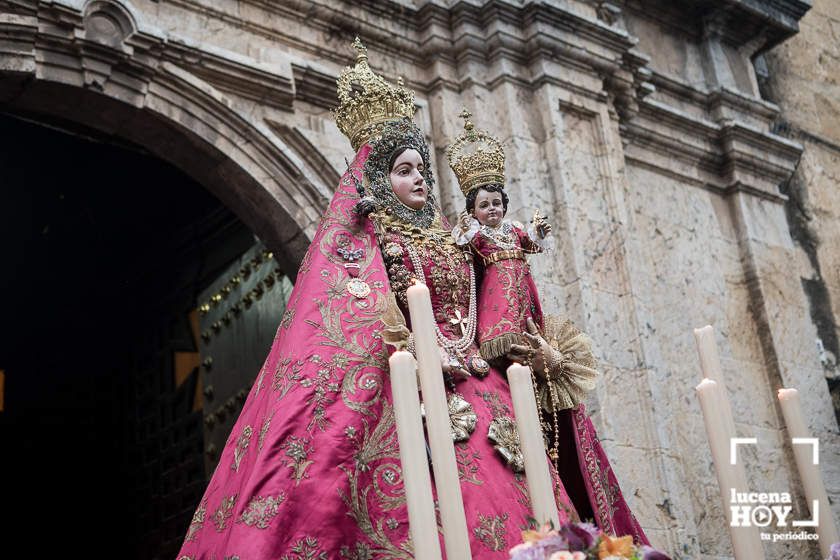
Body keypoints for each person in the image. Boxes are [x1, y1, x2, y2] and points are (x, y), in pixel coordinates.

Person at [176, 39, 648, 559]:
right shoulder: (369, 246)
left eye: (421, 167)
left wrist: (530, 339)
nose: (419, 177)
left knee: (531, 501)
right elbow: (348, 318)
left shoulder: (459, 237)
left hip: (485, 387)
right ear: (379, 178)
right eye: (403, 170)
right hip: (421, 394)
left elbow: (498, 297)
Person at [448, 110, 553, 363]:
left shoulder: (513, 228)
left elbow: (532, 245)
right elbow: (465, 245)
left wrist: (538, 233)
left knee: (528, 320)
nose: (492, 208)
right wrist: (464, 229)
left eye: (496, 203)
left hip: (522, 281)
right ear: (473, 211)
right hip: (495, 285)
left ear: (504, 206)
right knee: (501, 319)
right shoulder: (478, 233)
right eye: (484, 205)